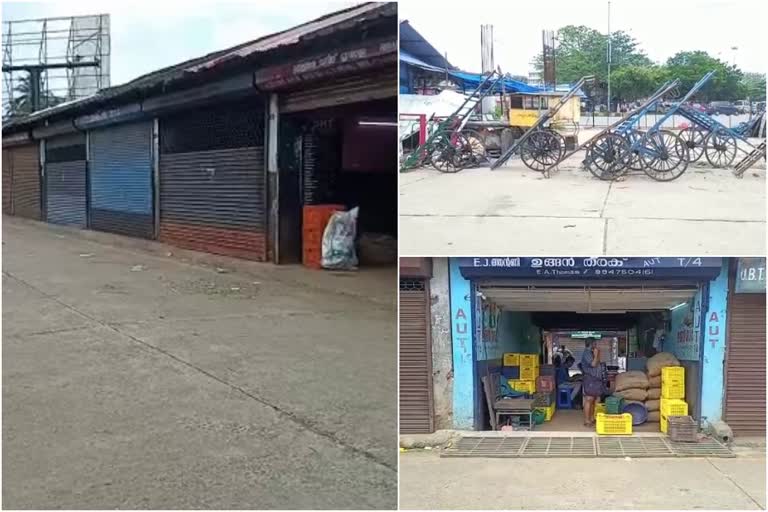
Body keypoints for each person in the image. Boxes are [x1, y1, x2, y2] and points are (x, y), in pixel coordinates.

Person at [580, 338, 603, 427]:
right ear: (592, 344)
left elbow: (596, 364)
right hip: (590, 379)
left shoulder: (591, 353)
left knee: (594, 399)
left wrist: (597, 355)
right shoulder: (587, 353)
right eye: (595, 343)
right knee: (589, 399)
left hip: (595, 379)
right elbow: (593, 364)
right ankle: (587, 420)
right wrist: (597, 354)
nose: (596, 345)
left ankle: (592, 418)